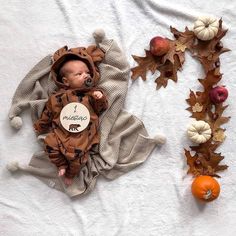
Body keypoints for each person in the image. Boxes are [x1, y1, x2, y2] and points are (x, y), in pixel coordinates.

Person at [34, 46, 108, 186]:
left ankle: (71, 173)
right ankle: (61, 164)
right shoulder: (57, 98)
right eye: (79, 74)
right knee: (50, 142)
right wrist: (41, 125)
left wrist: (99, 98)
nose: (86, 75)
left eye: (87, 72)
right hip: (61, 133)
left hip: (83, 134)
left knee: (79, 158)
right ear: (66, 81)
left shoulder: (90, 95)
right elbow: (48, 113)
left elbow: (101, 108)